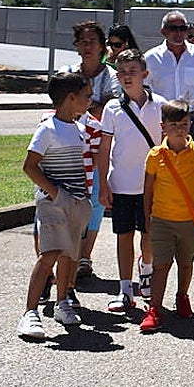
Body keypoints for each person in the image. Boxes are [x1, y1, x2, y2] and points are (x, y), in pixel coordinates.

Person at [17, 72, 93, 339]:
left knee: (70, 255)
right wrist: (55, 193)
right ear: (71, 98)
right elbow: (30, 166)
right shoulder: (47, 129)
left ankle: (62, 303)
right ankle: (30, 312)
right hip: (53, 203)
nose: (90, 100)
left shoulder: (79, 128)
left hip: (76, 202)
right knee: (50, 253)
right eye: (86, 96)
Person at [97, 49, 164, 312]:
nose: (127, 77)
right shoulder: (113, 108)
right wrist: (103, 183)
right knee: (123, 235)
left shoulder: (160, 104)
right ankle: (125, 288)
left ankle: (145, 268)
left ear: (144, 74)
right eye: (122, 72)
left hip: (152, 185)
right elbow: (104, 148)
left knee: (149, 234)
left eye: (132, 72)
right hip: (121, 183)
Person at [140, 100, 194, 333]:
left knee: (186, 263)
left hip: (188, 219)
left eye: (184, 123)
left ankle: (182, 297)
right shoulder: (155, 155)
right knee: (161, 265)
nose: (180, 128)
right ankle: (154, 309)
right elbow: (148, 188)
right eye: (174, 124)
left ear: (190, 124)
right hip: (161, 218)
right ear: (163, 126)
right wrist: (146, 218)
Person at [62, 21, 118, 281]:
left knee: (95, 202)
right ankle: (68, 255)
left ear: (102, 47)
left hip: (100, 150)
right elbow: (62, 107)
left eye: (91, 42)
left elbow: (111, 110)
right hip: (69, 148)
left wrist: (82, 105)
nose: (86, 47)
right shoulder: (67, 73)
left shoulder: (112, 76)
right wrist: (94, 105)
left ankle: (85, 256)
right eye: (82, 42)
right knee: (69, 201)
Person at [144, 10, 194, 146]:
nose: (179, 33)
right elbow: (143, 88)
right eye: (173, 28)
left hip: (192, 119)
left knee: (193, 162)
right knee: (163, 161)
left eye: (183, 29)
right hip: (163, 120)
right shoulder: (151, 57)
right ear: (163, 31)